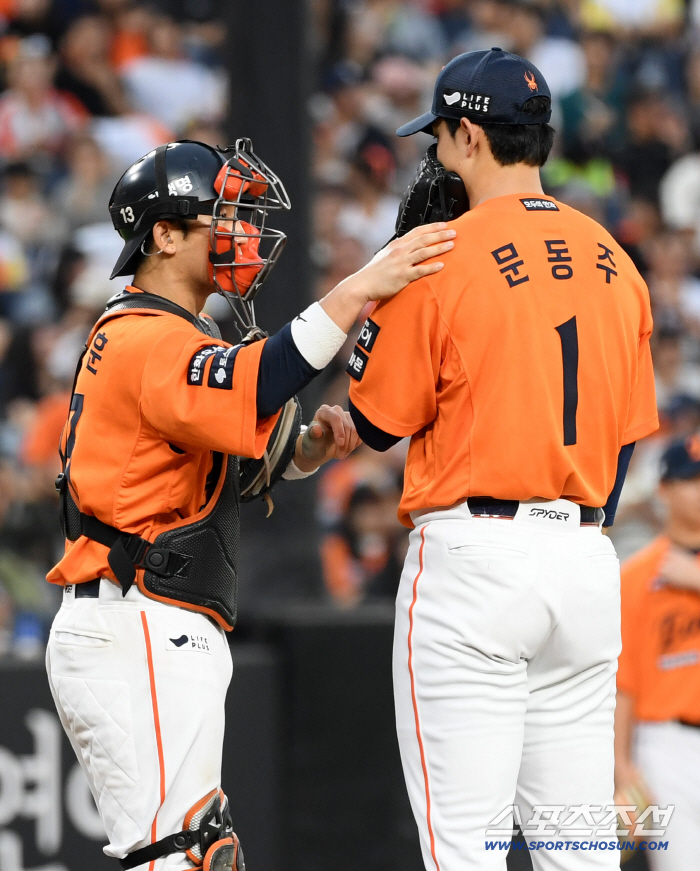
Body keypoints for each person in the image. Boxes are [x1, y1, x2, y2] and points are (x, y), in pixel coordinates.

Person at [43, 138, 455, 871]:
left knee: (194, 850)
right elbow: (263, 378)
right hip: (136, 616)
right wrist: (358, 286)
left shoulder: (166, 334)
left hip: (144, 617)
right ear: (163, 234)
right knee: (182, 856)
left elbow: (233, 468)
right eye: (219, 216)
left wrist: (305, 454)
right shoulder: (147, 336)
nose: (241, 232)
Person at [346, 48, 659, 869]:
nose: (436, 154)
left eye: (441, 136)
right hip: (586, 559)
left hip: (476, 563)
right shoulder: (618, 263)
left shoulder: (438, 253)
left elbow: (375, 422)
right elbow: (625, 442)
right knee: (579, 855)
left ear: (468, 135)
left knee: (463, 852)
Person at [615, 436, 700, 871]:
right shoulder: (635, 577)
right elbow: (623, 684)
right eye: (692, 480)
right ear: (664, 489)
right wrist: (621, 767)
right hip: (668, 749)